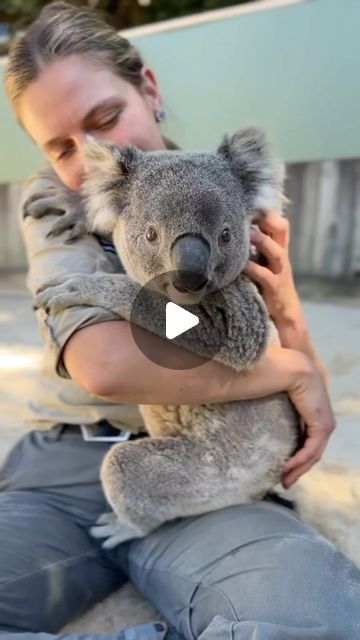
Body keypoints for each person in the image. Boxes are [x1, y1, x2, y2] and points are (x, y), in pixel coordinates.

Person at [1, 2, 359, 639]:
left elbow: (272, 321)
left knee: (316, 613)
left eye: (105, 119)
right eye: (61, 147)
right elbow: (107, 366)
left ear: (150, 88)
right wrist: (288, 371)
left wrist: (298, 357)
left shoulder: (224, 187)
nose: (90, 157)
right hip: (68, 466)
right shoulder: (57, 203)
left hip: (206, 467)